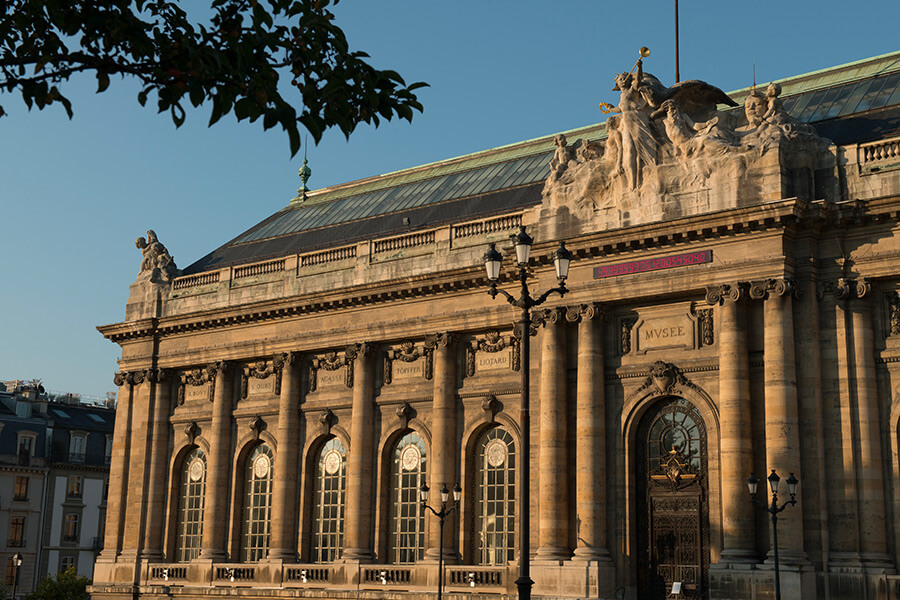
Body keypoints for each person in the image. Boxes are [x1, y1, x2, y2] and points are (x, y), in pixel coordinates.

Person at [610, 59, 657, 189]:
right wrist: (610, 108)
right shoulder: (622, 97)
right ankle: (632, 182)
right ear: (617, 84)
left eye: (624, 78)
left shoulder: (632, 90)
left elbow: (638, 81)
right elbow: (620, 109)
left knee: (642, 146)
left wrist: (639, 68)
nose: (622, 80)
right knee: (629, 149)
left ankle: (646, 174)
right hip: (626, 121)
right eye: (620, 79)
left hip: (637, 119)